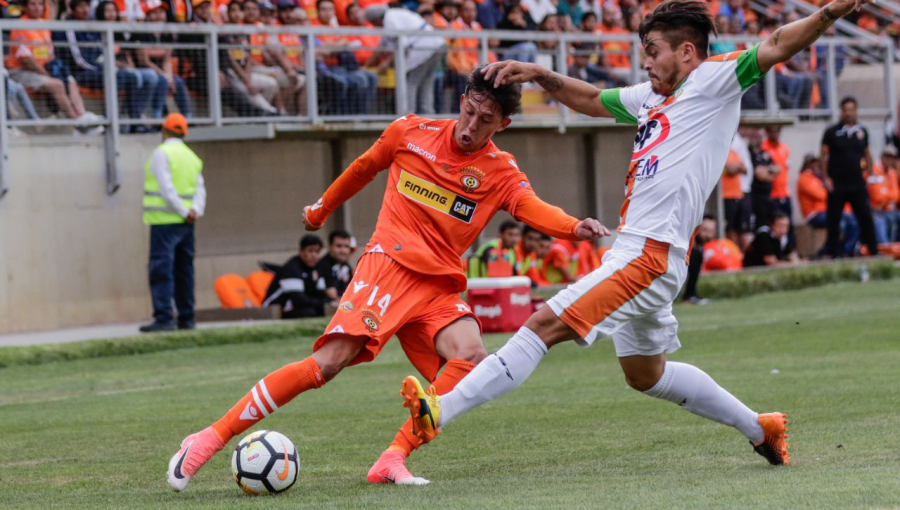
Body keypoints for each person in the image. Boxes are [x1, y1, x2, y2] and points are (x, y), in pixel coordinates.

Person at [400, 0, 866, 473]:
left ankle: (441, 409)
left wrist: (829, 12)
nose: (644, 60)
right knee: (645, 374)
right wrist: (541, 73)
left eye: (652, 50)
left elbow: (777, 43)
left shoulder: (712, 81)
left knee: (543, 324)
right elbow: (589, 100)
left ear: (686, 52)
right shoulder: (648, 98)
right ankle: (760, 428)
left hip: (650, 255)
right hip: (638, 252)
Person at [165, 66, 606, 491]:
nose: (471, 125)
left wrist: (572, 226)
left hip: (436, 284)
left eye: (485, 120)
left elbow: (534, 208)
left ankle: (391, 458)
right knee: (329, 363)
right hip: (388, 265)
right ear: (461, 101)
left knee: (469, 357)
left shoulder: (500, 172)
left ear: (503, 124)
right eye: (469, 111)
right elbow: (362, 168)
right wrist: (321, 209)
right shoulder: (410, 133)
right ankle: (209, 438)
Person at [140, 114, 206, 333]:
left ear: (164, 131)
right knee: (184, 270)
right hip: (187, 222)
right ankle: (187, 317)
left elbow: (165, 189)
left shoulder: (162, 153)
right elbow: (200, 188)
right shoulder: (191, 156)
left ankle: (164, 317)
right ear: (184, 132)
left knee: (161, 270)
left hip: (164, 222)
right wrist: (193, 211)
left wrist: (183, 211)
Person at [7, 0, 99, 129]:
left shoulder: (43, 24)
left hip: (43, 70)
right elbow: (25, 59)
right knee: (57, 84)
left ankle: (82, 114)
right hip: (21, 71)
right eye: (33, 4)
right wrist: (46, 74)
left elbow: (49, 53)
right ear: (25, 7)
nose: (37, 7)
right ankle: (77, 123)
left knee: (70, 80)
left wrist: (55, 71)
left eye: (40, 4)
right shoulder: (20, 25)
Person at [821, 96, 878, 257]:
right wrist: (825, 178)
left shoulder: (862, 131)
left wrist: (871, 174)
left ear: (856, 111)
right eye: (845, 110)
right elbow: (823, 156)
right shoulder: (832, 132)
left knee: (865, 216)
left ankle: (872, 250)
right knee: (834, 218)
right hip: (837, 182)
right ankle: (833, 252)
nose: (848, 113)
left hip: (857, 182)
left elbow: (867, 154)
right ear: (841, 111)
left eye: (851, 110)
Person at [365, 4, 446, 115]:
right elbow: (381, 46)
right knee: (426, 83)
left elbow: (401, 45)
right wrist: (367, 65)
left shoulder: (389, 20)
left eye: (374, 23)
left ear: (377, 18)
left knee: (410, 82)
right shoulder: (393, 15)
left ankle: (408, 116)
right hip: (437, 44)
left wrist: (387, 62)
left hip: (424, 47)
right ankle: (428, 116)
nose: (375, 26)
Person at [797, 154, 859, 256]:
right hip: (815, 214)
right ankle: (826, 252)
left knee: (854, 221)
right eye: (812, 163)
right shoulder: (805, 178)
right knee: (839, 224)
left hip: (829, 211)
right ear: (807, 164)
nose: (816, 165)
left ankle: (846, 250)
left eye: (816, 162)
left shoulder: (820, 177)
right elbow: (823, 195)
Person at [263, 235, 335, 318]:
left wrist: (332, 302)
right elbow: (299, 300)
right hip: (273, 310)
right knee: (309, 312)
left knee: (324, 310)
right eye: (310, 251)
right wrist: (326, 303)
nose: (314, 255)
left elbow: (321, 294)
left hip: (295, 308)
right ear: (301, 251)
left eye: (317, 251)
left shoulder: (316, 269)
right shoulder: (292, 268)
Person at [866, 146, 900, 244]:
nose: (890, 160)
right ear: (882, 157)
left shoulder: (892, 172)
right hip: (875, 210)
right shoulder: (873, 170)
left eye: (892, 158)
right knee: (880, 221)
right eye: (887, 157)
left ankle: (896, 247)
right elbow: (877, 197)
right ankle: (885, 249)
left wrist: (886, 195)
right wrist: (889, 197)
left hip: (888, 209)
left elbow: (897, 195)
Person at [682, 214, 715, 304]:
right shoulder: (691, 248)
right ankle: (689, 295)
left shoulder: (712, 248)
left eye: (711, 231)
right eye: (705, 230)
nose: (707, 235)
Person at [317, 229, 355, 299]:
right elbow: (332, 295)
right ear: (330, 247)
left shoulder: (346, 266)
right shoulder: (323, 265)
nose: (343, 251)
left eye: (346, 246)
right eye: (339, 246)